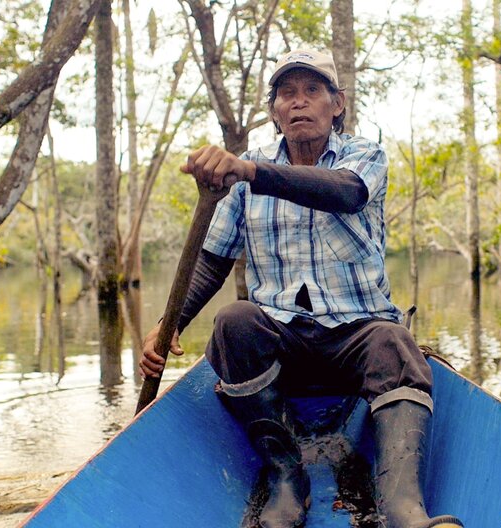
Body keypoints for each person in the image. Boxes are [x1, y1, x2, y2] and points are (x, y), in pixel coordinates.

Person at [140, 49, 464, 528]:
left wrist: (251, 173)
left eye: (313, 90)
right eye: (287, 93)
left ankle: (404, 510)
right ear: (274, 111)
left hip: (357, 336)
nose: (299, 102)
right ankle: (287, 477)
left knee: (395, 342)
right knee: (234, 322)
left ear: (337, 104)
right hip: (282, 343)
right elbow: (213, 261)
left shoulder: (363, 156)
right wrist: (169, 325)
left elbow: (345, 192)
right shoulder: (246, 169)